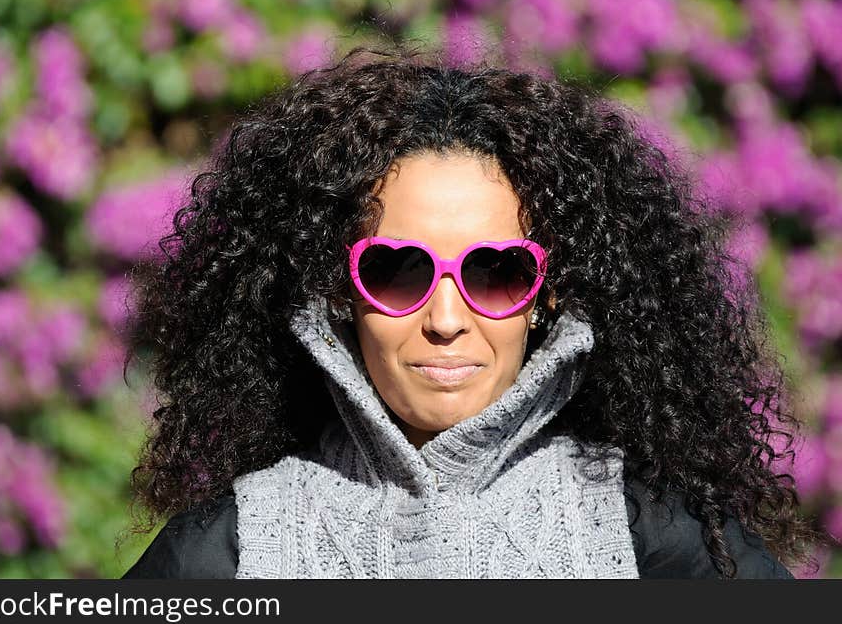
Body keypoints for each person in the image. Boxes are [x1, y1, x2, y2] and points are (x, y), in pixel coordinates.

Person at [120, 45, 831, 579]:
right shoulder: (231, 544)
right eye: (398, 271)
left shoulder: (657, 531)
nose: (447, 318)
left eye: (498, 271)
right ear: (337, 289)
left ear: (548, 295)